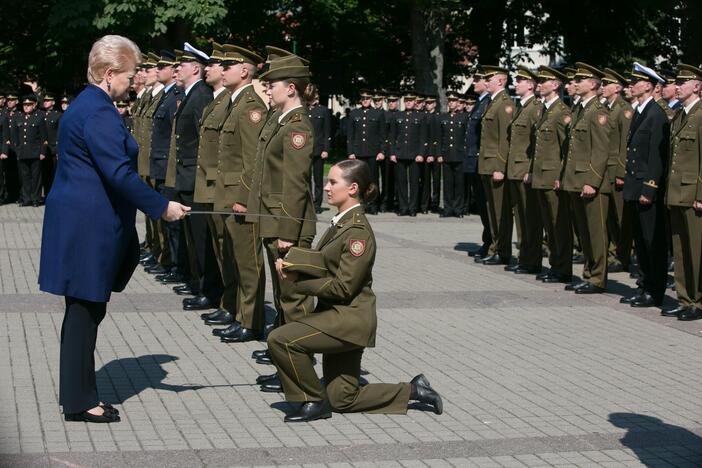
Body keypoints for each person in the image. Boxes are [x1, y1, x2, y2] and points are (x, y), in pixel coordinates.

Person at [38, 35, 190, 423]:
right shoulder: (99, 112)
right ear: (110, 74)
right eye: (131, 72)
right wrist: (161, 207)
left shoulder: (89, 104)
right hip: (90, 224)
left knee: (85, 310)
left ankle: (78, 393)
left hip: (83, 219)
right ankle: (79, 401)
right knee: (85, 311)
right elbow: (118, 172)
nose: (135, 79)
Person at [268, 159, 443, 422]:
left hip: (348, 319)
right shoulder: (342, 223)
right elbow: (324, 262)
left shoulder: (358, 232)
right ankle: (414, 390)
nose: (326, 187)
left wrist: (296, 281)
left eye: (333, 182)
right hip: (339, 316)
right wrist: (293, 260)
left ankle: (312, 401)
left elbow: (343, 286)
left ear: (352, 188)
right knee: (343, 399)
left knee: (281, 339)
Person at [245, 48, 316, 373]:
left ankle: (300, 371)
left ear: (291, 88)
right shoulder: (281, 121)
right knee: (286, 301)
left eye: (272, 83)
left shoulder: (297, 127)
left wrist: (288, 232)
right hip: (273, 223)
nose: (267, 88)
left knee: (295, 302)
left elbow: (296, 184)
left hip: (287, 228)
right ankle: (287, 364)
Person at [619, 63, 670, 308]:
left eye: (635, 82)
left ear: (648, 85)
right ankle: (644, 284)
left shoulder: (656, 114)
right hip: (634, 185)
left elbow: (656, 157)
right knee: (640, 241)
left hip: (645, 189)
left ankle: (655, 289)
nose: (631, 85)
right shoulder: (640, 111)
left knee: (652, 242)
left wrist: (649, 188)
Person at [559, 63, 611, 294]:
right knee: (584, 232)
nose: (576, 83)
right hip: (576, 179)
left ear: (593, 84)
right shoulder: (580, 110)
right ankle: (589, 274)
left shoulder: (598, 112)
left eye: (581, 79)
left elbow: (601, 150)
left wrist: (593, 180)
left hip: (590, 182)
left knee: (595, 232)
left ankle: (597, 277)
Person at [662, 64, 702, 320]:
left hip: (692, 194)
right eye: (677, 82)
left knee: (696, 251)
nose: (677, 86)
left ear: (697, 86)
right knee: (680, 248)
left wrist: (700, 194)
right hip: (676, 191)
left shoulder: (700, 115)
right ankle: (685, 298)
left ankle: (697, 301)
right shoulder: (680, 115)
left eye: (683, 82)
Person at [527, 66, 573, 283]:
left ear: (555, 85)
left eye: (543, 81)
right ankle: (555, 264)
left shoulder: (561, 113)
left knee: (558, 225)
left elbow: (566, 149)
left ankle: (562, 268)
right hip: (541, 177)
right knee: (549, 225)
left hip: (553, 177)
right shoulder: (545, 111)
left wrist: (561, 175)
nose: (539, 85)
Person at [507, 66, 543, 274]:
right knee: (520, 217)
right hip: (515, 170)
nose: (516, 83)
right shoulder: (520, 107)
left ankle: (532, 259)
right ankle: (525, 257)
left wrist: (530, 170)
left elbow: (536, 144)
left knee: (530, 219)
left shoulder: (534, 108)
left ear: (530, 85)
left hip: (524, 171)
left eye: (520, 80)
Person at [477, 65, 514, 265]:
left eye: (489, 78)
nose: (486, 81)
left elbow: (505, 139)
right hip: (486, 164)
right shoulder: (493, 103)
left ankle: (503, 250)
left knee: (500, 212)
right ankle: (495, 246)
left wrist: (500, 166)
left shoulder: (505, 104)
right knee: (491, 211)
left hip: (495, 166)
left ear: (500, 81)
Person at [347, 90, 386, 214]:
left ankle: (373, 205)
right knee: (358, 180)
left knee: (373, 180)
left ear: (371, 100)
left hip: (373, 153)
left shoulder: (378, 114)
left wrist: (382, 151)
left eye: (367, 99)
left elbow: (382, 135)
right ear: (360, 100)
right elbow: (350, 136)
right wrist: (350, 152)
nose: (365, 101)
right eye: (363, 98)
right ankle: (360, 205)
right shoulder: (354, 114)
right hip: (358, 152)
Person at [12, 94, 47, 207]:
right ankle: (27, 199)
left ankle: (36, 199)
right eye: (25, 105)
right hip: (23, 152)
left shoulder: (39, 117)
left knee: (36, 178)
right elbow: (15, 137)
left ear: (34, 105)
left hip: (35, 153)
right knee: (25, 177)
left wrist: (42, 152)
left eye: (29, 105)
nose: (26, 107)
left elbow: (44, 137)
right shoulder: (19, 117)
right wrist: (17, 150)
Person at [308, 85, 332, 214]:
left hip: (318, 149)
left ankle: (317, 204)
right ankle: (308, 202)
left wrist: (326, 149)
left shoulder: (323, 111)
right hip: (306, 149)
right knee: (306, 178)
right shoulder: (304, 109)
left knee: (318, 178)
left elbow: (327, 132)